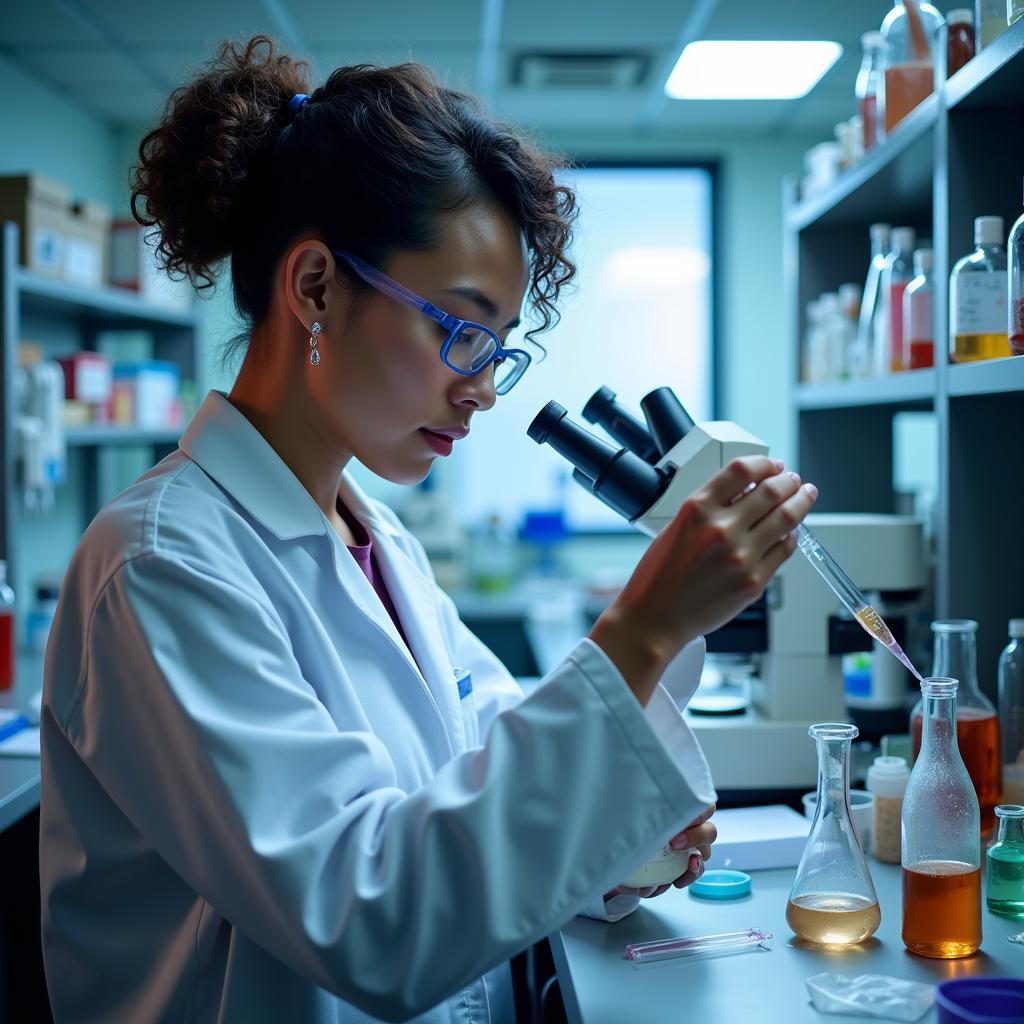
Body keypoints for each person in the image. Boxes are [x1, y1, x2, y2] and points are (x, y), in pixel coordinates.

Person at [39, 37, 817, 1024]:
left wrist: (619, 842)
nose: (483, 388)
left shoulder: (377, 540)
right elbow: (368, 918)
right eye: (460, 330)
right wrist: (643, 626)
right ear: (316, 287)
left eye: (499, 347)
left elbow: (475, 766)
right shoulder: (159, 567)